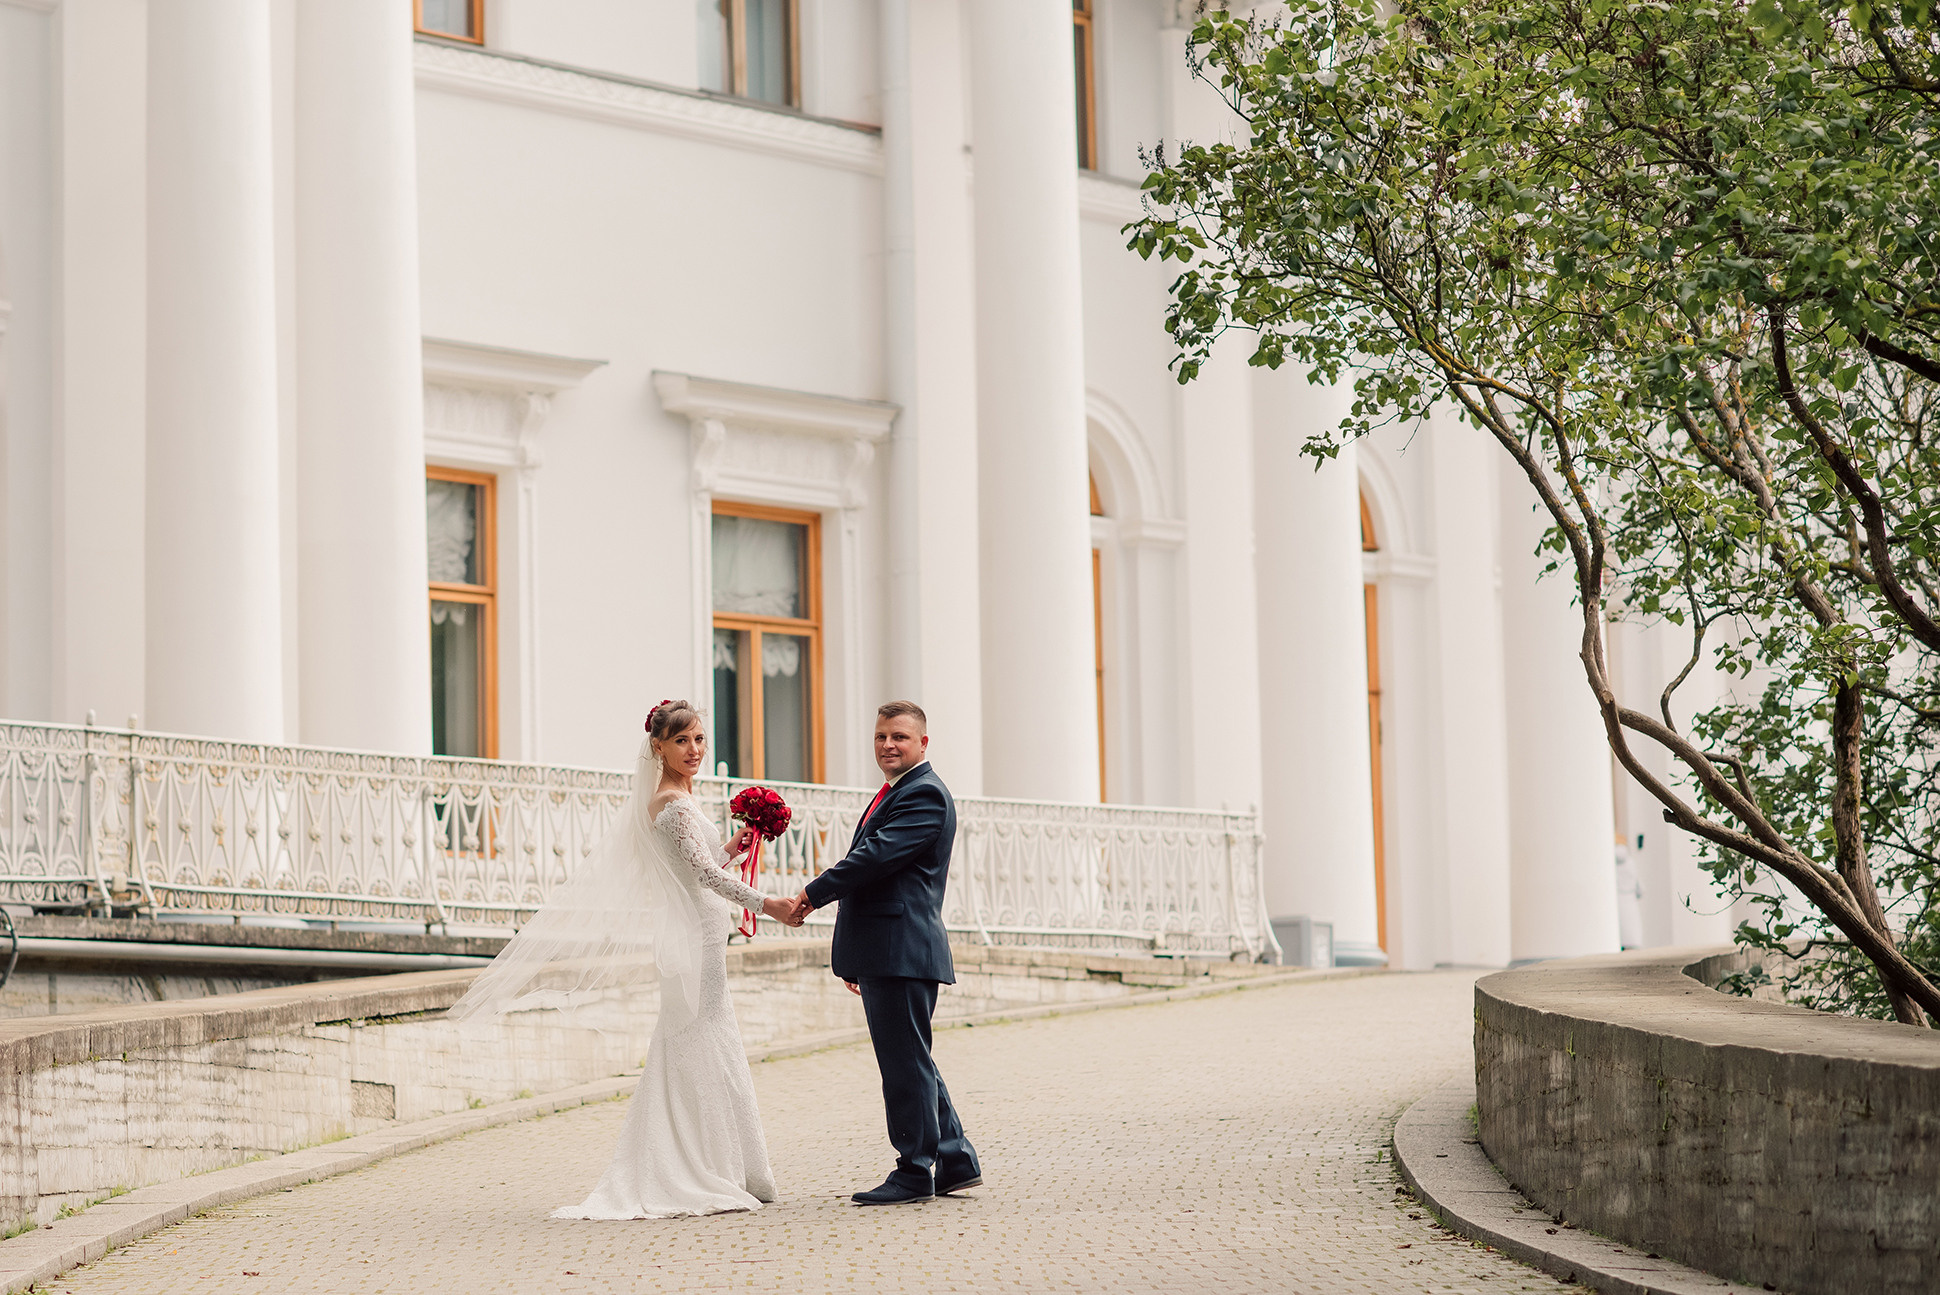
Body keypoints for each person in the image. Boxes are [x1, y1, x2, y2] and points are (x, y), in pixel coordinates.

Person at [447, 700, 804, 1219]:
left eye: (700, 739)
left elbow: (700, 866)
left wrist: (736, 843)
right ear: (657, 746)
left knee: (702, 1034)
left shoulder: (679, 797)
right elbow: (703, 878)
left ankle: (728, 1164)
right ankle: (701, 1166)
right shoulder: (672, 802)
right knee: (697, 1037)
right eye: (682, 741)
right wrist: (766, 904)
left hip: (703, 929)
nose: (694, 750)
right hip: (698, 935)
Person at [790, 701, 983, 1205]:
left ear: (923, 743)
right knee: (912, 1058)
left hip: (903, 948)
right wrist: (859, 953)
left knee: (904, 1065)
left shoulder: (924, 796)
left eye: (899, 736)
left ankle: (915, 1171)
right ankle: (955, 1160)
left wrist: (810, 895)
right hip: (887, 948)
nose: (888, 745)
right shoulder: (900, 791)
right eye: (880, 737)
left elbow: (873, 860)